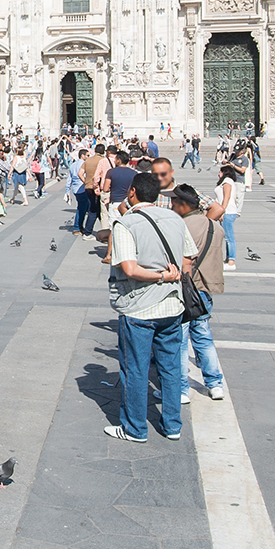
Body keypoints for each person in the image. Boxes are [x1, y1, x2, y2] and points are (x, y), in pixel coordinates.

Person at [104, 172, 196, 443]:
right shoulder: (175, 219)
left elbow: (130, 269)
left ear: (132, 193)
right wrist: (174, 274)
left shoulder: (126, 223)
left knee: (135, 369)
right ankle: (172, 425)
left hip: (139, 309)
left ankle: (135, 428)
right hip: (172, 306)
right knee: (169, 369)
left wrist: (160, 276)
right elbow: (189, 259)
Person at [170, 185, 226, 403]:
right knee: (203, 337)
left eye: (174, 203)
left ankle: (182, 389)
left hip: (186, 290)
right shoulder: (215, 227)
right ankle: (215, 384)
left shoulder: (180, 227)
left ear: (184, 204)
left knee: (181, 340)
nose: (172, 207)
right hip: (205, 290)